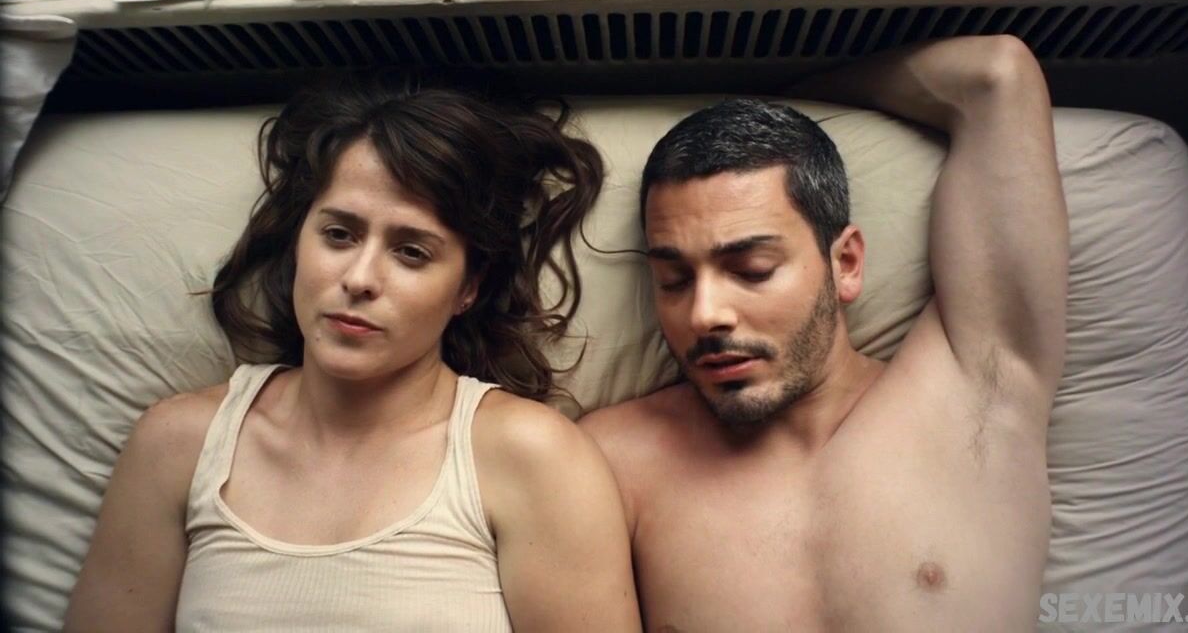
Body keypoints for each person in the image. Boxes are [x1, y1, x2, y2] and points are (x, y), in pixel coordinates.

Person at [65, 76, 642, 632]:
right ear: (299, 240)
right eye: (339, 234)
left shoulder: (532, 457)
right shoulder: (178, 445)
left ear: (468, 287)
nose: (360, 278)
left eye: (411, 252)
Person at [580, 35, 1068, 631]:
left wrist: (799, 92)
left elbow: (996, 75)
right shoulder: (612, 462)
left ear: (846, 264)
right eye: (674, 280)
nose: (703, 315)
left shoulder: (977, 392)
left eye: (751, 270)